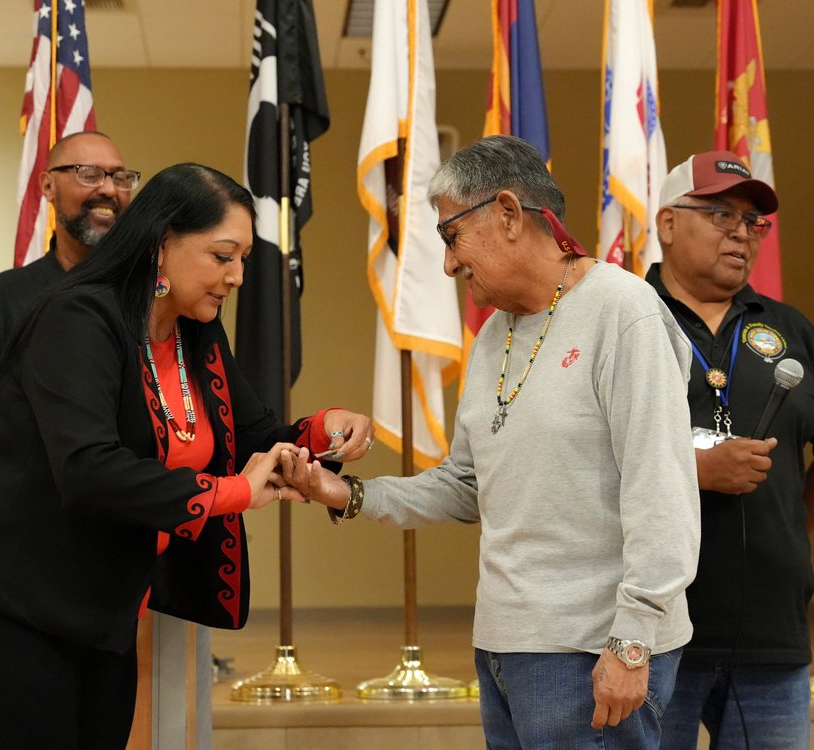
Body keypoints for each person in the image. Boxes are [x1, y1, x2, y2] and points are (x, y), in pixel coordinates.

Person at [0, 162, 374, 749]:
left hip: (101, 609)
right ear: (163, 243)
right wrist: (233, 493)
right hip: (7, 603)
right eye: (222, 256)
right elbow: (88, 468)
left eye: (242, 260)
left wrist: (321, 432)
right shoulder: (78, 317)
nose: (236, 276)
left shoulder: (196, 329)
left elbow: (251, 433)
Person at [280, 135, 701, 748]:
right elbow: (467, 484)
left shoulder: (623, 311)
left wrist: (632, 643)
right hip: (505, 647)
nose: (448, 263)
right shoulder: (491, 337)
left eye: (450, 235)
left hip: (594, 651)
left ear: (507, 213)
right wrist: (342, 492)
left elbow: (663, 491)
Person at [647, 151, 814, 749]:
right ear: (668, 224)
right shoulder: (622, 320)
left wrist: (787, 523)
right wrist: (694, 472)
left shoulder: (790, 329)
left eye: (754, 223)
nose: (742, 233)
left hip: (771, 634)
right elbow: (577, 458)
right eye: (721, 214)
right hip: (644, 633)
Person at [0, 130, 137, 450]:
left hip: (125, 493)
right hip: (27, 496)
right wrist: (44, 390)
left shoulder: (146, 293)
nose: (109, 189)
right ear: (48, 186)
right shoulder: (5, 295)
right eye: (89, 175)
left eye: (121, 177)